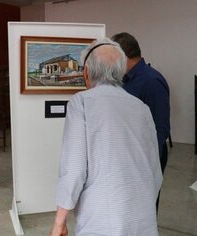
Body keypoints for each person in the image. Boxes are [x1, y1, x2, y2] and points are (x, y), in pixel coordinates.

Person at [50, 38, 163, 236]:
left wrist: (60, 221)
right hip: (142, 215)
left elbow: (74, 169)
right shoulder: (141, 107)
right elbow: (154, 168)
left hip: (101, 217)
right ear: (122, 71)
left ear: (86, 72)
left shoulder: (81, 103)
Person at [111, 32, 170, 174]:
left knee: (147, 197)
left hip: (145, 159)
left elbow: (160, 128)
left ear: (121, 56)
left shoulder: (151, 81)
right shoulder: (124, 79)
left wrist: (144, 162)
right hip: (129, 156)